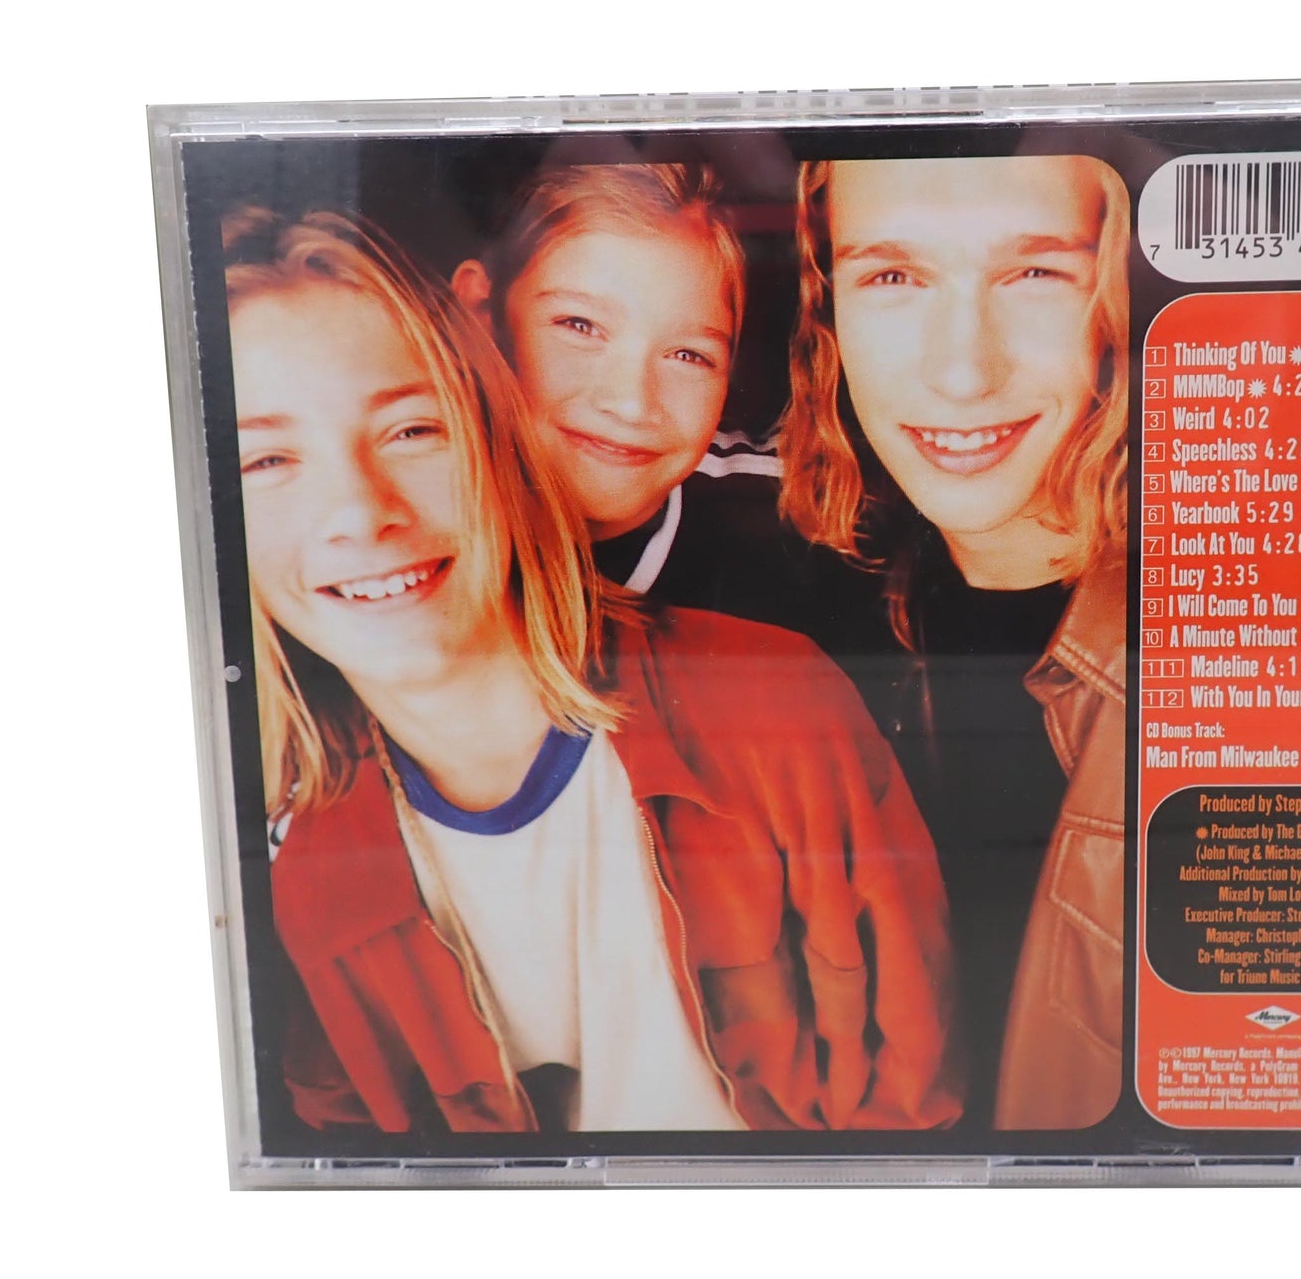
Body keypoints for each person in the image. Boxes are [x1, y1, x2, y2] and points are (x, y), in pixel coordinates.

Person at [226, 206, 958, 1134]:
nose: (361, 514)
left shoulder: (773, 702)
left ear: (495, 430)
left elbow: (912, 1116)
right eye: (267, 459)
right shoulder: (308, 873)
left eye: (411, 430)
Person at [780, 154, 1130, 1130]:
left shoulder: (1232, 669)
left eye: (1035, 274)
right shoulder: (812, 616)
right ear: (827, 310)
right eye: (893, 275)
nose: (963, 372)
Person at [450, 164, 811, 628]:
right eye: (580, 326)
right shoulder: (393, 510)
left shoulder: (804, 524)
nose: (631, 405)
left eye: (688, 355)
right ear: (479, 310)